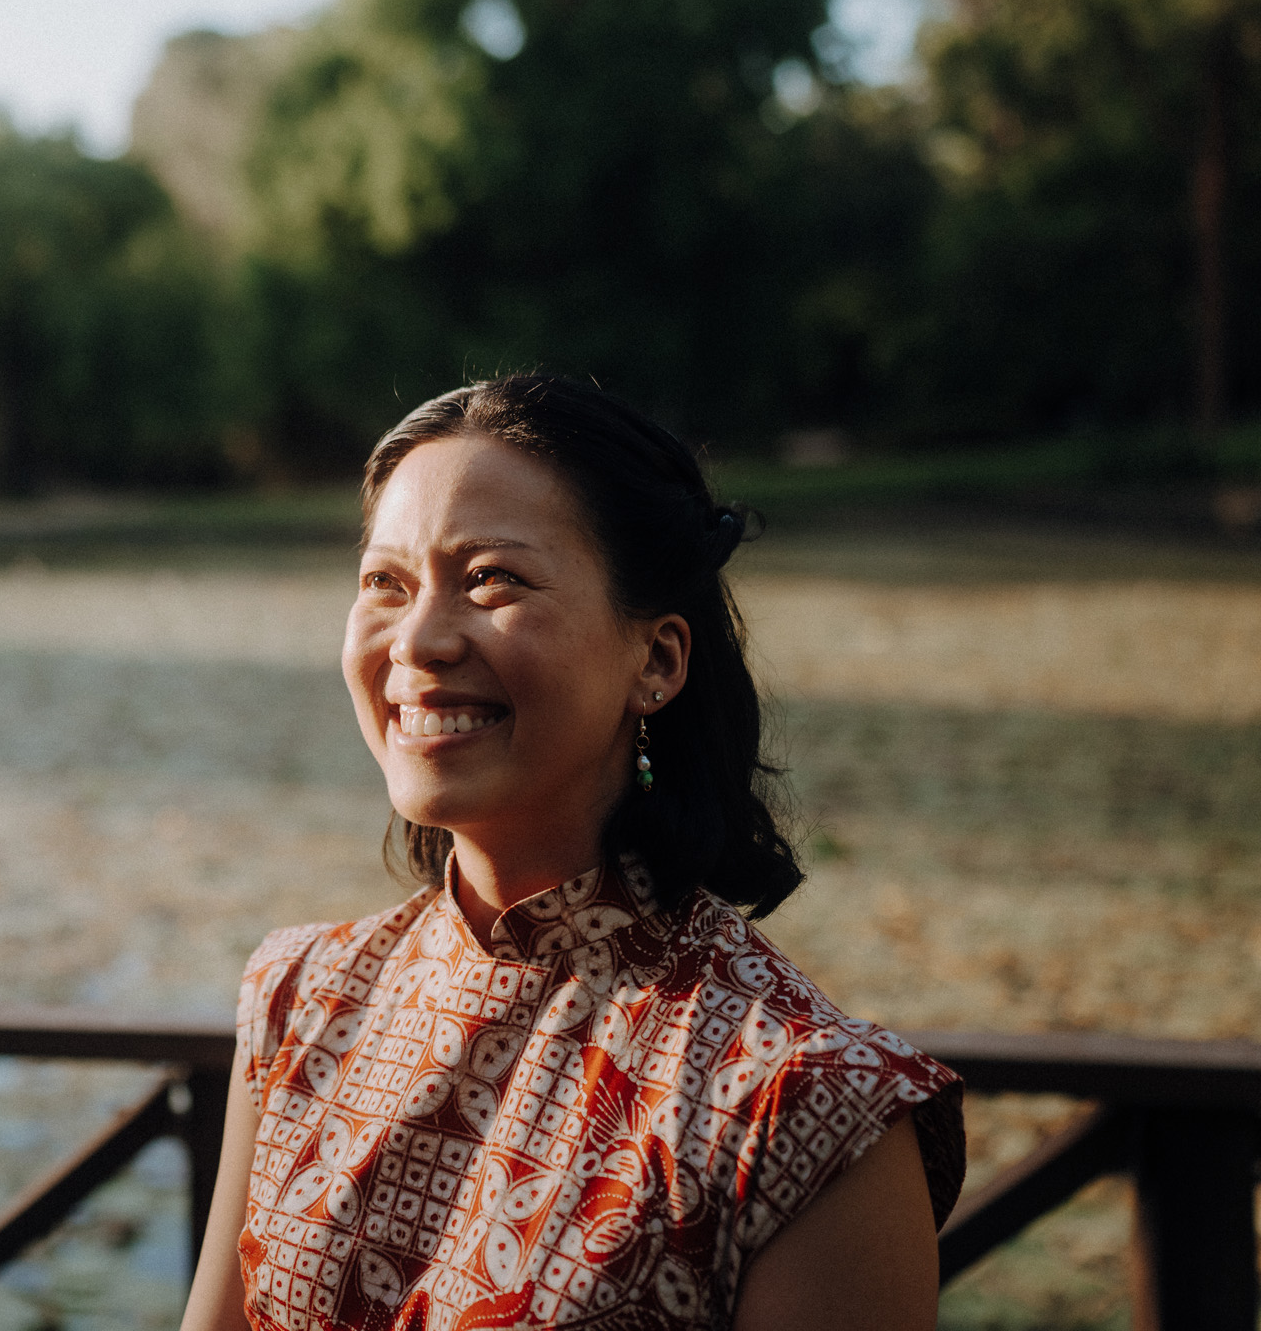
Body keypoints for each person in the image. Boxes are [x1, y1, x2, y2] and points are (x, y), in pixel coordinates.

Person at [181, 376, 963, 1331]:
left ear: (658, 661)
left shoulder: (801, 1110)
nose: (418, 641)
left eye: (492, 579)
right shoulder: (302, 996)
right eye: (385, 582)